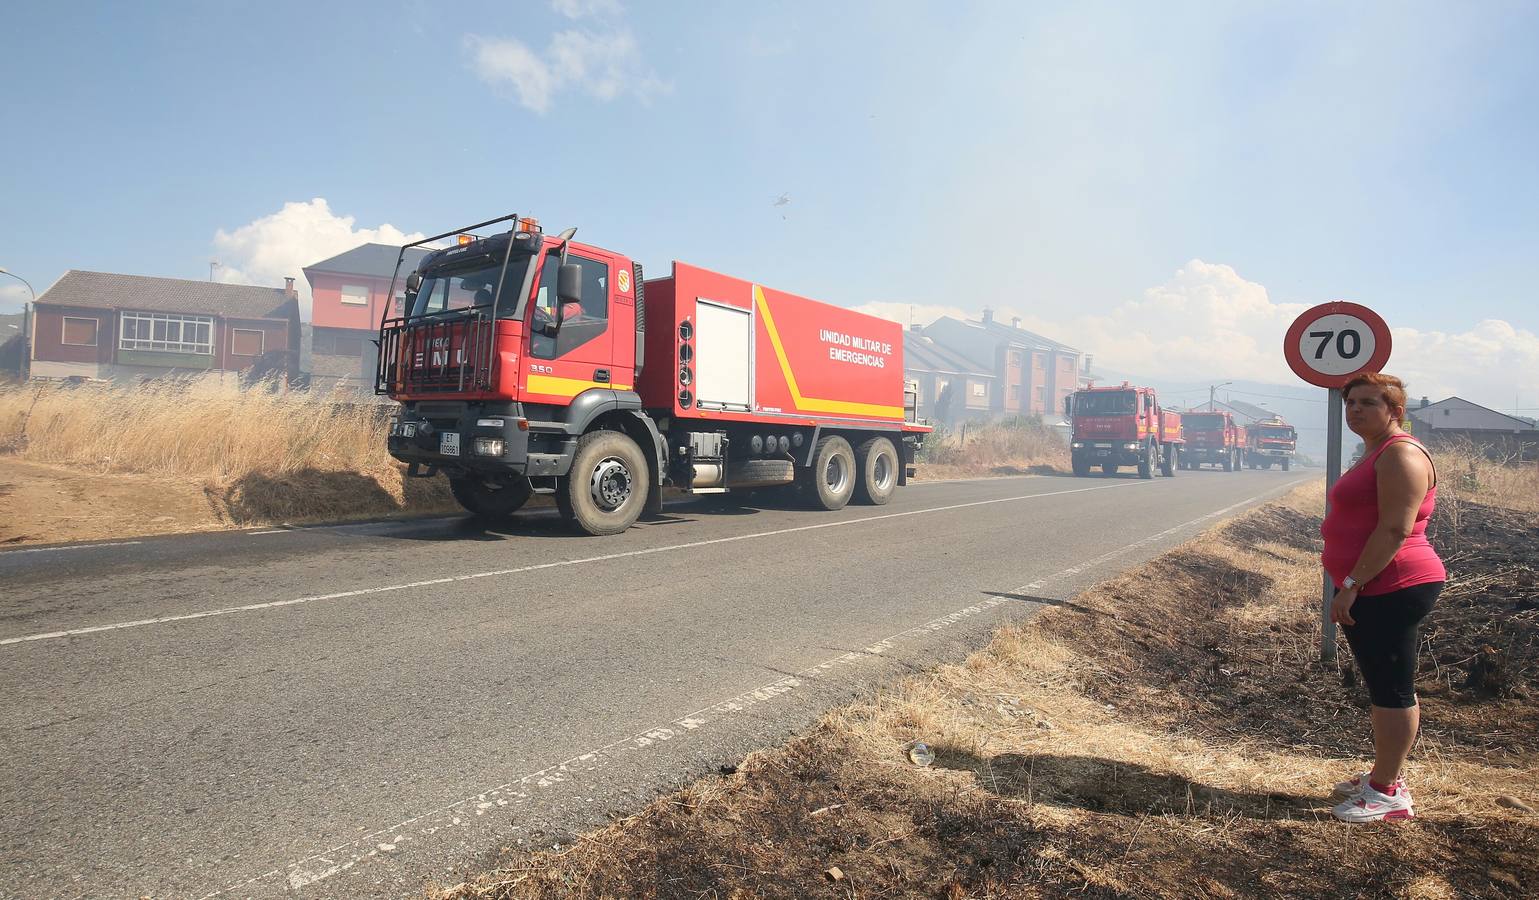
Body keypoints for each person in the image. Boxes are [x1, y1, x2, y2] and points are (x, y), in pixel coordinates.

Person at [1320, 372, 1445, 823]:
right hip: (1373, 583)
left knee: (1392, 689)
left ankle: (1388, 792)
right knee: (1381, 684)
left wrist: (1351, 584)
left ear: (1395, 411)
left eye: (1368, 403)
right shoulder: (1376, 451)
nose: (1355, 410)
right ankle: (1382, 774)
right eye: (1351, 402)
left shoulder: (1401, 456)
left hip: (1392, 584)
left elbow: (1395, 529)